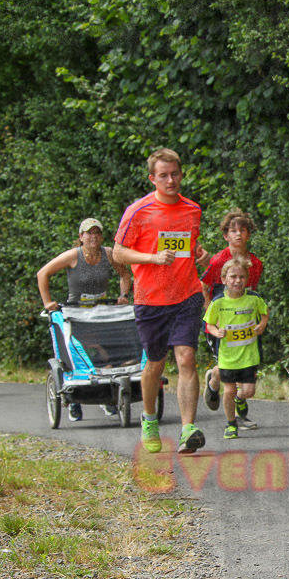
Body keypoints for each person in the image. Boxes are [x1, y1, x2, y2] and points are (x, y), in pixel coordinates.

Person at [113, 148, 210, 454]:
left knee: (186, 358)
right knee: (155, 364)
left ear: (181, 174)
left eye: (175, 174)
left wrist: (199, 253)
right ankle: (150, 419)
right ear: (153, 178)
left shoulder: (192, 210)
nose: (171, 180)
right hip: (151, 299)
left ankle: (187, 429)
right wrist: (151, 257)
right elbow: (118, 253)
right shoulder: (138, 212)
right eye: (164, 175)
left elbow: (186, 244)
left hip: (186, 295)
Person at [36, 217, 132, 420]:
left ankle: (108, 398)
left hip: (101, 314)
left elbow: (124, 274)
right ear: (81, 237)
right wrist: (47, 302)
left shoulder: (108, 254)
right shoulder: (73, 256)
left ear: (102, 236)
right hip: (77, 314)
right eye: (89, 233)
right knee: (78, 354)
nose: (93, 237)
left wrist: (123, 295)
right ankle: (74, 401)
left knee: (107, 355)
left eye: (97, 233)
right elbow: (42, 273)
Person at [200, 209, 264, 427]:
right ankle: (237, 413)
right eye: (233, 231)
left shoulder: (255, 263)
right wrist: (212, 315)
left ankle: (216, 380)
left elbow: (252, 293)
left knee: (244, 364)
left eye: (242, 230)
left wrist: (256, 320)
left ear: (248, 234)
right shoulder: (219, 260)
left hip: (245, 323)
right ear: (225, 235)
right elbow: (203, 286)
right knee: (230, 365)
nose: (238, 234)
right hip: (221, 322)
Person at [203, 257, 269, 439]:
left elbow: (264, 312)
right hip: (228, 356)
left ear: (246, 279)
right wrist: (216, 332)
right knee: (229, 391)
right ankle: (231, 425)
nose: (237, 281)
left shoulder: (253, 299)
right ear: (224, 279)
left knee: (248, 391)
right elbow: (209, 324)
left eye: (241, 277)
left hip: (249, 355)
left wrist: (262, 325)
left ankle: (241, 400)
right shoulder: (218, 302)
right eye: (233, 277)